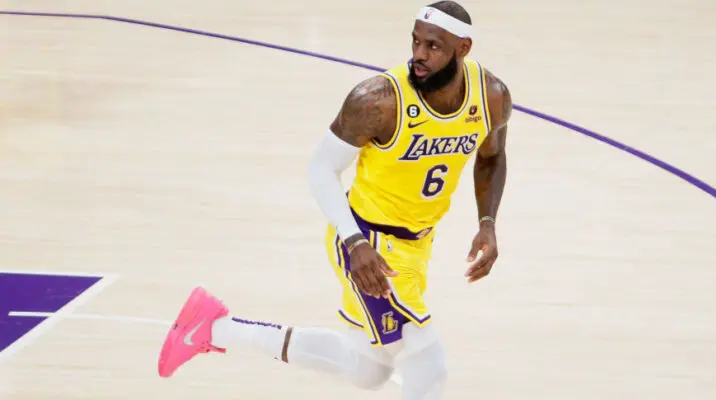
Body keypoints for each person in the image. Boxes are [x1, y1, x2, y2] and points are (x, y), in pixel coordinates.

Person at [156, 2, 511, 399]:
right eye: (415, 42)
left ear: (463, 48)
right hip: (369, 245)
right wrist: (353, 241)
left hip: (416, 245)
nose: (419, 56)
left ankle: (214, 328)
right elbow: (321, 169)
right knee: (429, 367)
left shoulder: (491, 95)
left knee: (368, 370)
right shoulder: (379, 101)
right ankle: (213, 328)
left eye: (433, 47)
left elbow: (492, 156)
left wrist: (487, 224)